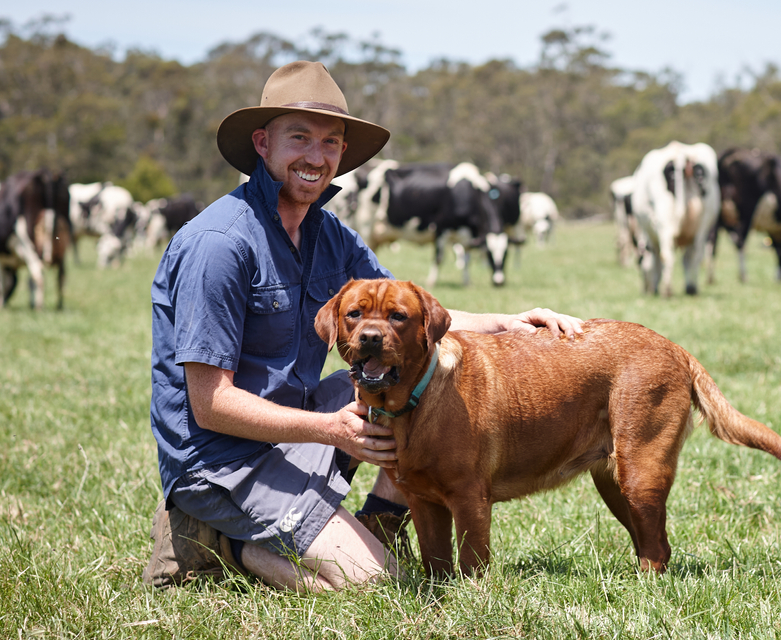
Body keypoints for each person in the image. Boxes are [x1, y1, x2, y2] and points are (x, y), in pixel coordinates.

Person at [143, 61, 583, 593]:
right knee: (381, 585)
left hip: (295, 420)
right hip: (222, 461)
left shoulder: (328, 234)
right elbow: (209, 403)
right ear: (262, 143)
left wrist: (509, 322)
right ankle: (223, 542)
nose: (316, 156)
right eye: (299, 138)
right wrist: (332, 430)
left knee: (418, 387)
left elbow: (409, 313)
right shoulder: (219, 243)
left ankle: (380, 522)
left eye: (331, 142)